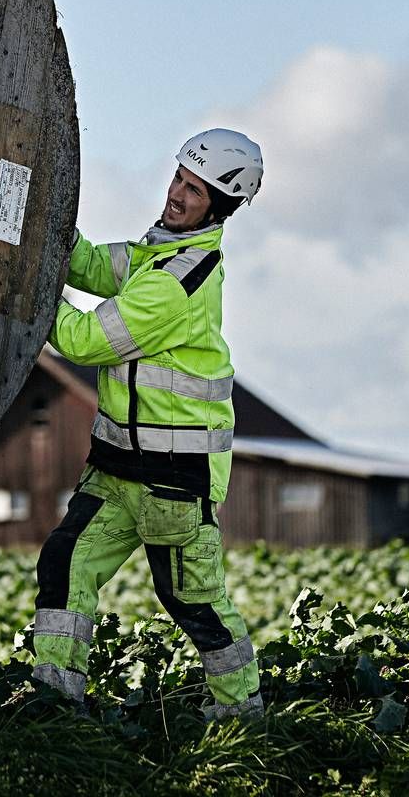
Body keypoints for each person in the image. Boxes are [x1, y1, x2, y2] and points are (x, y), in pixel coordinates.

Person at [31, 128, 265, 719]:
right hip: (117, 467)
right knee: (66, 564)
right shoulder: (155, 254)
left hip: (172, 479)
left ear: (220, 207)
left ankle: (242, 716)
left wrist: (27, 291)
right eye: (179, 178)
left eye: (195, 189)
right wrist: (41, 223)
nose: (177, 194)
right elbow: (88, 263)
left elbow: (83, 341)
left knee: (193, 601)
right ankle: (56, 705)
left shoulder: (176, 281)